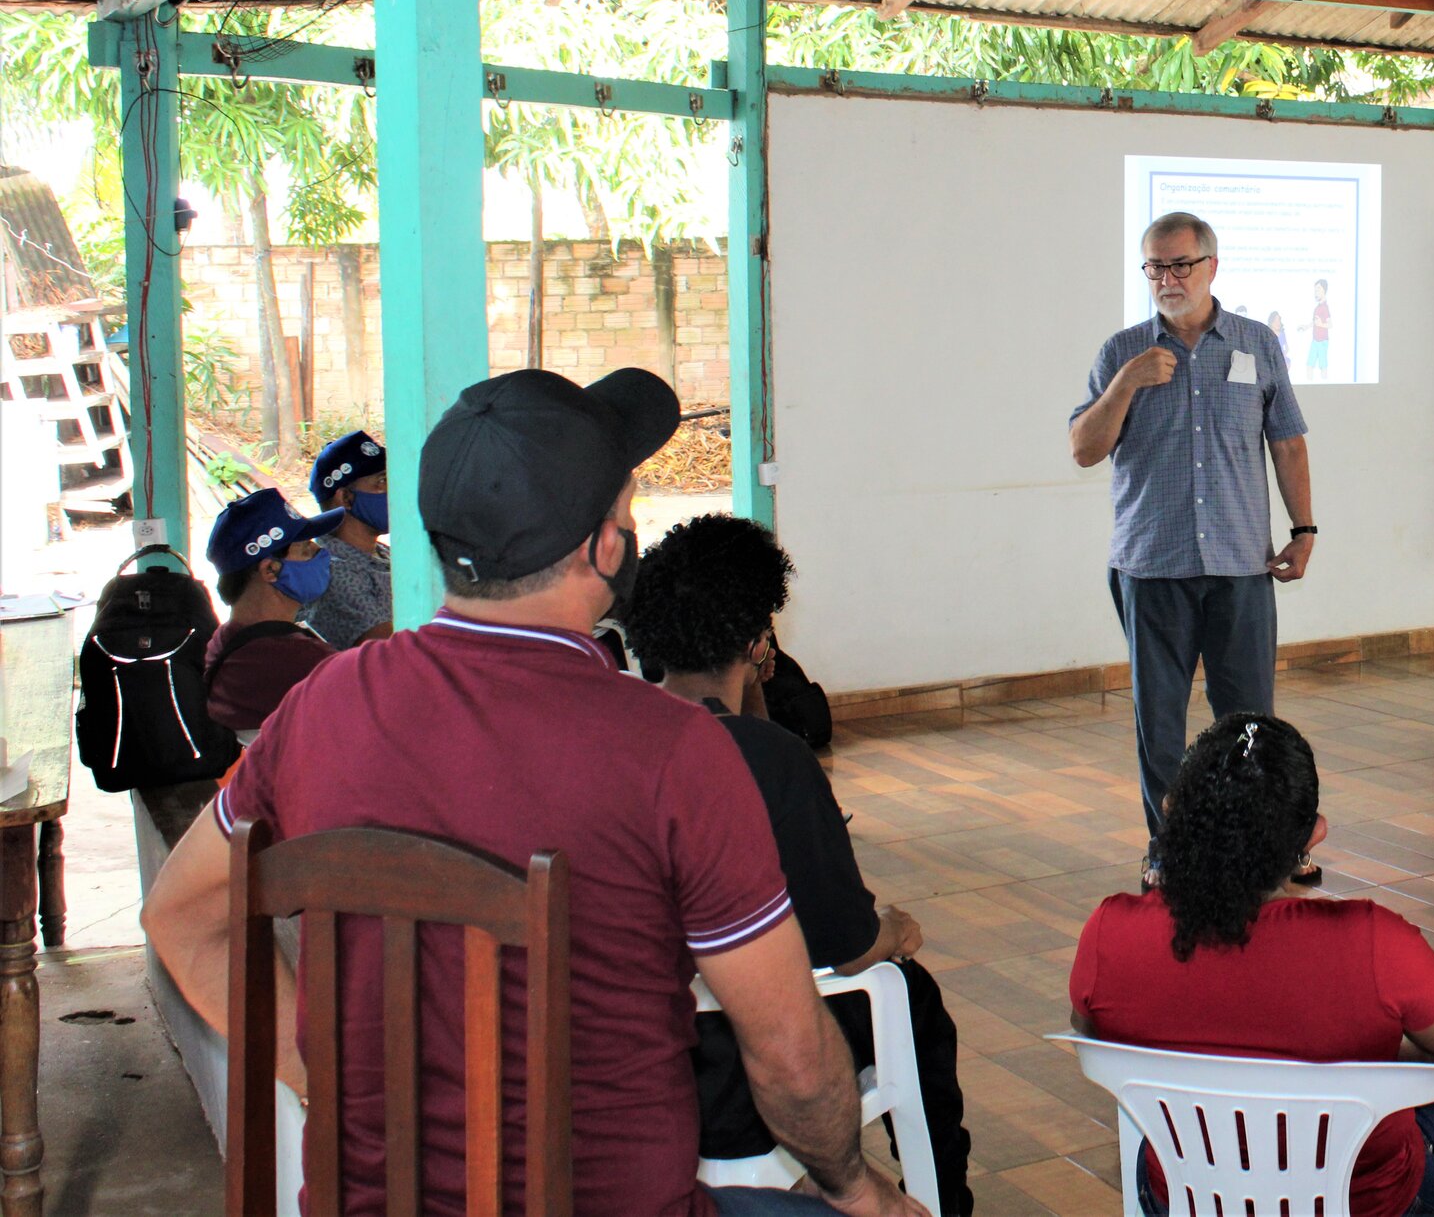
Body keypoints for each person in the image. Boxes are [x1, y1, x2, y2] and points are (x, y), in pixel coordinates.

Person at [142, 367, 924, 1217]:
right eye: (625, 501)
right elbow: (790, 1057)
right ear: (607, 545)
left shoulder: (321, 707)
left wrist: (325, 1079)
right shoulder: (678, 752)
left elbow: (180, 919)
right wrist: (858, 1186)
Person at [629, 514, 975, 1216]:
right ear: (759, 646)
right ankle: (943, 1202)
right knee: (912, 991)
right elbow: (848, 950)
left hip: (642, 1053)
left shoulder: (615, 735)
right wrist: (895, 929)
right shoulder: (771, 760)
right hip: (744, 1073)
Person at [1070, 713, 1434, 1217]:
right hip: (1364, 1202)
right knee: (1420, 1102)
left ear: (1173, 813)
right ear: (1313, 836)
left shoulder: (1109, 933)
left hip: (1189, 1196)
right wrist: (1378, 1049)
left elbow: (1094, 1031)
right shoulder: (1372, 943)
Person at [1070, 212, 1317, 862]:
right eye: (1154, 266)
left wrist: (1304, 527)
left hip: (1241, 563)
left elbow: (1287, 442)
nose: (1166, 278)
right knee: (1159, 726)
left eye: (1179, 264)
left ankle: (1267, 845)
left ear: (1211, 265)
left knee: (1250, 725)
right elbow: (1083, 449)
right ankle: (1171, 848)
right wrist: (1126, 383)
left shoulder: (1257, 342)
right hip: (1152, 568)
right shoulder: (1121, 351)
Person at [200, 487, 340, 733]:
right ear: (270, 571)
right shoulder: (301, 660)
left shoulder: (223, 640)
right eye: (306, 550)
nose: (321, 554)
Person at [300, 428, 394, 647]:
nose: (393, 490)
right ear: (345, 498)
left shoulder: (380, 553)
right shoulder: (334, 574)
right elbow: (389, 651)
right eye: (381, 482)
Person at [1305, 278, 1331, 379]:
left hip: (1322, 341)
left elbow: (1330, 324)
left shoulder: (1325, 307)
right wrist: (1305, 327)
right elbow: (1314, 322)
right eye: (1315, 290)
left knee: (1323, 366)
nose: (1316, 292)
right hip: (1315, 341)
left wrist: (1321, 324)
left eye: (1318, 289)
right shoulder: (1317, 308)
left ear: (1324, 290)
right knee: (1309, 365)